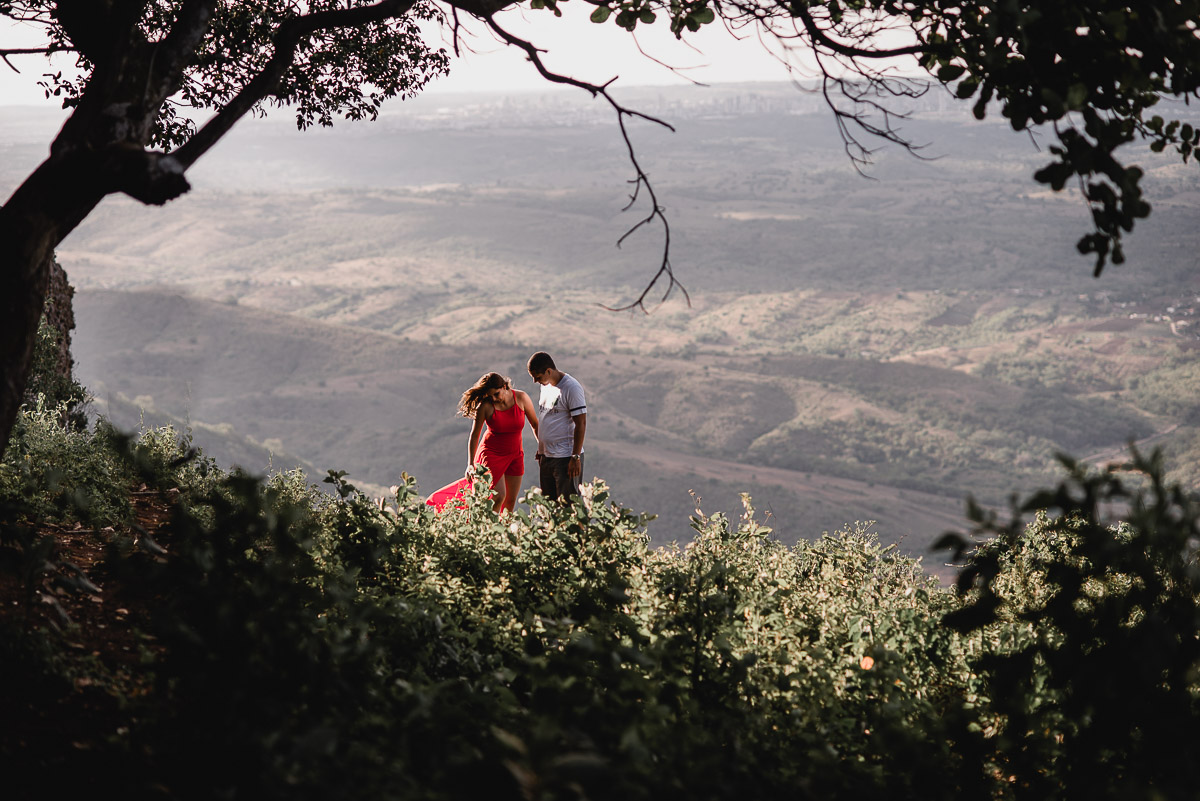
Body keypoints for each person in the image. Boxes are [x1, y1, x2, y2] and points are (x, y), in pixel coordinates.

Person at [426, 372, 540, 514]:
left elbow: (535, 424)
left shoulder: (521, 398)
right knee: (498, 496)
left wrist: (541, 448)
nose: (493, 398)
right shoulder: (486, 406)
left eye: (496, 394)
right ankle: (488, 529)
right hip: (491, 454)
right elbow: (474, 435)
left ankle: (503, 534)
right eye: (490, 395)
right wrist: (470, 464)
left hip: (515, 455)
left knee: (510, 501)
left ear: (505, 387)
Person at [527, 351, 587, 501]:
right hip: (546, 456)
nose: (535, 381)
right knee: (550, 508)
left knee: (568, 508)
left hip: (565, 457)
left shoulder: (571, 388)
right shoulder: (546, 386)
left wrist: (575, 457)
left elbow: (581, 423)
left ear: (548, 371)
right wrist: (541, 448)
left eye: (538, 376)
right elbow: (547, 418)